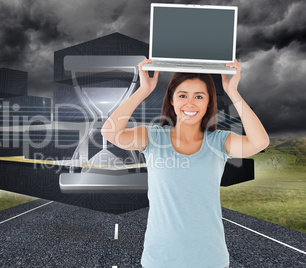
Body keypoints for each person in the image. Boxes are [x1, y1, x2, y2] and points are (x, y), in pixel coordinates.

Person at [101, 58, 269, 268]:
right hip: (160, 259)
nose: (190, 103)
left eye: (199, 96)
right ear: (171, 99)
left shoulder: (219, 141)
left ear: (208, 102)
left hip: (210, 259)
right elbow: (110, 132)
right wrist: (144, 90)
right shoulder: (153, 138)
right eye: (182, 95)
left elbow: (260, 142)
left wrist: (232, 91)